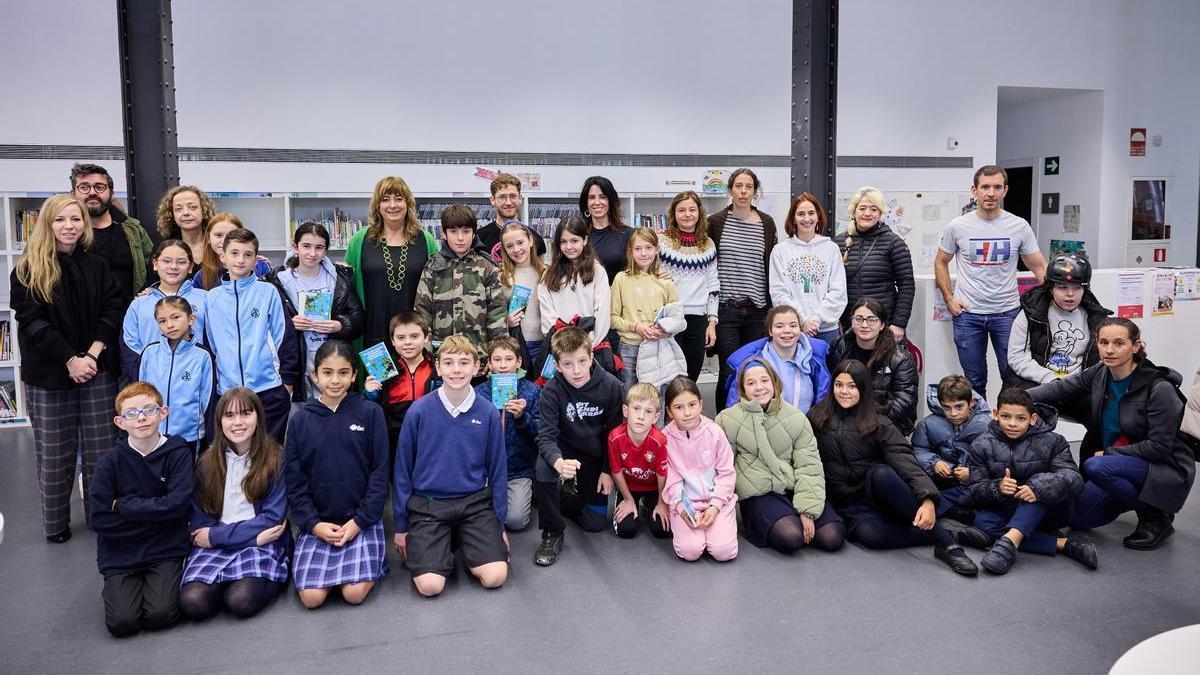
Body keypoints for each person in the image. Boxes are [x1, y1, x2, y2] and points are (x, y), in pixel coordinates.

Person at [11, 194, 124, 543]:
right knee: (55, 454)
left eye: (75, 219)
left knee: (101, 451)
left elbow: (112, 309)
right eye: (61, 220)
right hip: (49, 375)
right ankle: (56, 524)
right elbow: (32, 324)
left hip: (95, 369)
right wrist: (69, 360)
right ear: (48, 223)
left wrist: (90, 356)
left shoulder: (97, 265)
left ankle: (100, 516)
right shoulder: (28, 268)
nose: (69, 226)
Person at [1031, 318, 1195, 550]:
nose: (1109, 350)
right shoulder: (1101, 372)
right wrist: (1019, 398)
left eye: (1119, 343)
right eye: (1104, 342)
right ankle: (1129, 495)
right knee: (1078, 519)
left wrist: (1110, 452)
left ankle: (1155, 516)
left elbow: (1159, 447)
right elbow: (1061, 387)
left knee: (1096, 466)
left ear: (1136, 346)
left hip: (1162, 467)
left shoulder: (1159, 389)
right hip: (1119, 464)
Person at [808, 360, 979, 576]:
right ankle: (953, 533)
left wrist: (928, 500)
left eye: (852, 386)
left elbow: (904, 459)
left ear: (863, 388)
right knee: (871, 537)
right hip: (845, 502)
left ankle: (948, 545)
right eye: (839, 385)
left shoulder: (878, 420)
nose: (844, 391)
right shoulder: (817, 417)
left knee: (882, 473)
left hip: (878, 494)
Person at [394, 335, 510, 597]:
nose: (456, 370)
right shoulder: (418, 411)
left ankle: (464, 541)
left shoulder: (488, 412)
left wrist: (499, 526)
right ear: (438, 367)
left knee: (495, 577)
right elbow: (402, 471)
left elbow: (498, 472)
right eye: (448, 363)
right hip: (428, 505)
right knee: (430, 586)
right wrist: (401, 526)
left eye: (463, 362)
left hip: (474, 504)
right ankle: (445, 541)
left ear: (477, 367)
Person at [285, 340, 389, 608]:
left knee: (353, 594)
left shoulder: (370, 413)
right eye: (328, 372)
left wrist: (359, 522)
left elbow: (379, 474)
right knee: (311, 598)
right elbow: (295, 481)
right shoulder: (300, 420)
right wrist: (313, 525)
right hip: (319, 523)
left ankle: (374, 560)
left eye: (343, 372)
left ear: (354, 375)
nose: (335, 380)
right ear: (315, 375)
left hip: (360, 521)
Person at [89, 381, 194, 637]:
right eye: (131, 413)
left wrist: (122, 505)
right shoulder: (109, 463)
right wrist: (158, 512)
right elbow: (100, 519)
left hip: (164, 548)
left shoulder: (178, 453)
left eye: (149, 409)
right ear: (120, 422)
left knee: (162, 616)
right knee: (123, 623)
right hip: (121, 553)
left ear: (163, 412)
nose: (142, 418)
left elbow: (178, 506)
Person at [954, 388, 1095, 574]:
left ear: (1033, 418)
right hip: (1008, 511)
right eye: (1006, 416)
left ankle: (1006, 547)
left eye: (1020, 418)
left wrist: (1037, 488)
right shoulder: (981, 444)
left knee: (1034, 489)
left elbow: (1074, 478)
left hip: (1050, 511)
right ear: (995, 415)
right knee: (983, 523)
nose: (1012, 423)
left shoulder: (1054, 441)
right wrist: (997, 487)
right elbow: (974, 489)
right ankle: (1064, 544)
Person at [935, 165, 1048, 396]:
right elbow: (941, 262)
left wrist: (1054, 303)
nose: (991, 193)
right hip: (967, 315)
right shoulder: (957, 226)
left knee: (1013, 376)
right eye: (985, 187)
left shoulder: (1018, 226)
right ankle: (980, 429)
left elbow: (1038, 266)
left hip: (1007, 313)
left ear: (1005, 191)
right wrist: (949, 298)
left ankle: (1008, 427)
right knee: (974, 381)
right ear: (974, 190)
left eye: (997, 187)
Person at [179, 388, 290, 620]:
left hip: (260, 544)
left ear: (258, 416)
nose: (238, 422)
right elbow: (200, 523)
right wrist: (247, 537)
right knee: (194, 602)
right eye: (229, 415)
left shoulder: (276, 458)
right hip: (234, 541)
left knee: (240, 600)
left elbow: (271, 520)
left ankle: (269, 576)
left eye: (246, 414)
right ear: (219, 421)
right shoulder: (206, 463)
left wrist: (217, 537)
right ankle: (225, 581)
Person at [716, 358, 841, 554]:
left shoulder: (796, 417)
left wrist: (807, 510)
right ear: (742, 389)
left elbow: (809, 465)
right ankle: (774, 521)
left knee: (832, 536)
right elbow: (721, 467)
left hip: (792, 485)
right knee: (791, 537)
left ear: (775, 382)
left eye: (764, 381)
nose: (759, 387)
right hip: (759, 491)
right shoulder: (727, 419)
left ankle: (797, 514)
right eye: (751, 383)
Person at [532, 326, 624, 566]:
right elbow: (546, 437)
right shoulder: (551, 390)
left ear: (592, 357)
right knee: (543, 471)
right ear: (557, 365)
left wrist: (607, 470)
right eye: (568, 364)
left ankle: (553, 497)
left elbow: (613, 435)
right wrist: (558, 462)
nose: (576, 371)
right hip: (563, 451)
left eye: (582, 361)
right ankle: (552, 531)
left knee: (595, 522)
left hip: (593, 455)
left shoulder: (612, 386)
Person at [204, 229, 297, 443]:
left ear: (256, 259)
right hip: (228, 392)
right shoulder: (212, 298)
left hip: (268, 389)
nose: (240, 260)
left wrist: (286, 383)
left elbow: (285, 338)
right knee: (235, 455)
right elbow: (210, 345)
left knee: (269, 456)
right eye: (234, 253)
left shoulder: (268, 292)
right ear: (222, 257)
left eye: (247, 255)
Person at [264, 221, 365, 401]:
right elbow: (265, 323)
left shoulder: (339, 278)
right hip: (297, 359)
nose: (312, 253)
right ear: (295, 247)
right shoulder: (277, 281)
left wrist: (339, 325)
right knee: (302, 415)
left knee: (335, 411)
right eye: (306, 246)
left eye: (319, 247)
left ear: (326, 251)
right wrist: (289, 323)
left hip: (332, 356)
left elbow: (358, 318)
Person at [344, 176, 440, 350]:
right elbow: (347, 290)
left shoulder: (426, 240)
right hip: (372, 336)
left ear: (408, 203)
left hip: (413, 337)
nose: (392, 205)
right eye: (385, 200)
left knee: (412, 378)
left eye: (399, 199)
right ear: (377, 206)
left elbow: (437, 289)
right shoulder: (359, 240)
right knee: (376, 379)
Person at [710, 168, 777, 411]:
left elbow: (770, 265)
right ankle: (725, 422)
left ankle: (754, 419)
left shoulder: (766, 223)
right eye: (738, 186)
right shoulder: (716, 222)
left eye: (748, 186)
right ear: (730, 190)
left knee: (755, 371)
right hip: (727, 310)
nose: (743, 191)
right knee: (729, 370)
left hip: (757, 311)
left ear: (755, 191)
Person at [1006, 254, 1112, 402]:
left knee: (1109, 409)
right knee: (1016, 406)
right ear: (1051, 289)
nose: (1070, 294)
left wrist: (1080, 382)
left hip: (1079, 387)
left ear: (1085, 290)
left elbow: (1106, 358)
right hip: (1040, 382)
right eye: (1062, 287)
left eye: (1077, 288)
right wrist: (1051, 379)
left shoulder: (1097, 318)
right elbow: (1017, 357)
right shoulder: (1030, 314)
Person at [660, 376, 738, 561]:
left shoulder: (715, 432)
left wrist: (716, 505)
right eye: (679, 407)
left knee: (724, 552)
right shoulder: (665, 439)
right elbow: (670, 480)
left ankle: (718, 525)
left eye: (692, 405)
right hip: (687, 504)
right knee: (690, 551)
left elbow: (726, 473)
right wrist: (681, 508)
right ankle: (693, 532)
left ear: (701, 405)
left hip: (717, 501)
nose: (687, 412)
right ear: (669, 411)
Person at [414, 204, 507, 353]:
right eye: (453, 231)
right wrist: (427, 353)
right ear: (444, 234)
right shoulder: (433, 267)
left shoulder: (487, 266)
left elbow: (497, 315)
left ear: (474, 233)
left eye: (466, 231)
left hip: (479, 358)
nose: (460, 238)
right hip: (442, 358)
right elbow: (422, 313)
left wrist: (498, 354)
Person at [473, 336, 541, 531]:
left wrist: (522, 417)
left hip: (518, 469)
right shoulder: (478, 393)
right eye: (497, 359)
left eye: (509, 359)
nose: (503, 365)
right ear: (490, 363)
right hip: (483, 470)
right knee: (477, 518)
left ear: (519, 361)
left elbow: (540, 434)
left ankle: (529, 489)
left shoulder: (532, 391)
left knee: (515, 521)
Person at [121, 239, 209, 384]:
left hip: (194, 378)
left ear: (191, 266)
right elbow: (129, 346)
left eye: (181, 262)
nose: (173, 267)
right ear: (155, 264)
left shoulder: (205, 299)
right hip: (150, 381)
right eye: (167, 261)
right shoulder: (139, 304)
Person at [135, 296, 215, 455]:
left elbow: (207, 401)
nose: (169, 325)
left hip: (189, 436)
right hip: (153, 435)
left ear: (191, 319)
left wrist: (210, 438)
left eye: (175, 317)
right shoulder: (149, 353)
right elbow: (140, 394)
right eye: (162, 321)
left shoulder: (202, 356)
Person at [826, 299, 918, 435]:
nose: (864, 325)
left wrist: (867, 420)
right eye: (858, 319)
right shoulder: (840, 346)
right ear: (852, 322)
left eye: (871, 320)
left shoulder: (901, 358)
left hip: (885, 422)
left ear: (882, 325)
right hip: (846, 416)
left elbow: (905, 402)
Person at [835, 186, 914, 341]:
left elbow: (907, 285)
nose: (867, 213)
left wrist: (899, 323)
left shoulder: (893, 243)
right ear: (854, 211)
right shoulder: (838, 242)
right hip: (849, 325)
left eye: (873, 209)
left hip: (883, 324)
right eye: (862, 208)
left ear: (880, 213)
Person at [69, 163, 154, 303]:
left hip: (127, 319)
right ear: (73, 194)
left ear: (111, 193)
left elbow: (155, 267)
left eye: (99, 187)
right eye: (84, 187)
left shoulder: (133, 229)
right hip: (79, 320)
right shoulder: (63, 232)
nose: (92, 192)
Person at [769, 192, 846, 346]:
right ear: (793, 219)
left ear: (818, 216)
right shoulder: (780, 251)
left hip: (826, 330)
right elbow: (779, 292)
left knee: (827, 370)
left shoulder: (831, 249)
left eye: (811, 213)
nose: (806, 219)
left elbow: (838, 291)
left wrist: (817, 319)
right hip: (792, 330)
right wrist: (802, 320)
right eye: (800, 214)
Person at [610, 228, 683, 389]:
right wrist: (635, 327)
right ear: (630, 251)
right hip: (630, 348)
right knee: (630, 395)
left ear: (657, 249)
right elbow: (612, 318)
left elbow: (678, 319)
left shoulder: (666, 282)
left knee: (658, 394)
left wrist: (666, 330)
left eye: (648, 248)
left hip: (658, 347)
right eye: (638, 248)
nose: (643, 253)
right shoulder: (621, 279)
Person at [657, 191, 719, 381]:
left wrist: (712, 322)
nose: (687, 214)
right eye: (682, 210)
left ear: (699, 213)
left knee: (691, 377)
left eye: (692, 209)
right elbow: (643, 271)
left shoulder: (708, 245)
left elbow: (713, 283)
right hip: (669, 317)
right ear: (674, 214)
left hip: (698, 319)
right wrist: (654, 275)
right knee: (670, 378)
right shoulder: (661, 240)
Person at [723, 304, 831, 412]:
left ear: (800, 329)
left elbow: (823, 401)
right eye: (779, 326)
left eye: (793, 326)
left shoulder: (814, 360)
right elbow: (734, 408)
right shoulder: (754, 364)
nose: (787, 330)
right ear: (770, 331)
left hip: (805, 425)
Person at [911, 375, 990, 518]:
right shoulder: (928, 424)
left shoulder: (986, 425)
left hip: (971, 483)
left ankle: (951, 513)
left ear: (971, 402)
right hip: (942, 478)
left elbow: (995, 462)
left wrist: (972, 474)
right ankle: (953, 513)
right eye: (947, 407)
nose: (953, 413)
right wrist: (934, 462)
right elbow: (918, 449)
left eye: (959, 407)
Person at [364, 311, 437, 458]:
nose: (408, 342)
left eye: (414, 336)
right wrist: (370, 394)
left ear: (426, 337)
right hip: (395, 440)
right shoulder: (383, 369)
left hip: (431, 436)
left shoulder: (437, 368)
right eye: (401, 338)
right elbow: (372, 409)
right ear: (392, 341)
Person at [607, 383, 671, 540]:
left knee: (662, 531)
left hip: (653, 487)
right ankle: (632, 502)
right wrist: (628, 499)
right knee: (626, 530)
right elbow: (616, 471)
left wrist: (662, 503)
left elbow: (662, 474)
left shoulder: (659, 441)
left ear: (656, 417)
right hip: (628, 487)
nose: (641, 416)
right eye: (636, 408)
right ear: (625, 411)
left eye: (648, 411)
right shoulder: (615, 438)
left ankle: (649, 507)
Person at [537, 216, 611, 348]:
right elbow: (548, 314)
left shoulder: (597, 271)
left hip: (590, 346)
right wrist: (563, 345)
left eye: (574, 241)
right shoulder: (548, 274)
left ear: (585, 240)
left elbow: (602, 313)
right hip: (559, 347)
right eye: (563, 242)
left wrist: (587, 345)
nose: (568, 247)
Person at [497, 221, 546, 367]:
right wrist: (506, 321)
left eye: (520, 242)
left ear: (530, 240)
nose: (516, 249)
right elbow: (492, 313)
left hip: (543, 345)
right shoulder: (501, 277)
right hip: (514, 346)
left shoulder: (546, 274)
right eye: (509, 246)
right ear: (504, 249)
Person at [476, 172, 547, 263]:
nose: (508, 202)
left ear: (520, 199)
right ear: (492, 200)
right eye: (502, 197)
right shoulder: (479, 238)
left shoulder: (534, 237)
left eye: (513, 196)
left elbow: (540, 272)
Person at [193, 213, 273, 290]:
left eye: (231, 235)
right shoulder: (201, 276)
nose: (224, 241)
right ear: (208, 238)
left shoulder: (261, 266)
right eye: (218, 235)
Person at [579, 175, 631, 286]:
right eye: (592, 197)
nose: (597, 202)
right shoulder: (578, 236)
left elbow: (641, 267)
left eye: (602, 197)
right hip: (587, 300)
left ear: (610, 201)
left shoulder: (629, 234)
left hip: (619, 299)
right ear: (586, 203)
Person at [155, 185, 217, 271]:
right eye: (178, 209)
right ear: (172, 215)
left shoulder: (218, 243)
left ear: (204, 211)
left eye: (192, 207)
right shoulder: (163, 248)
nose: (186, 213)